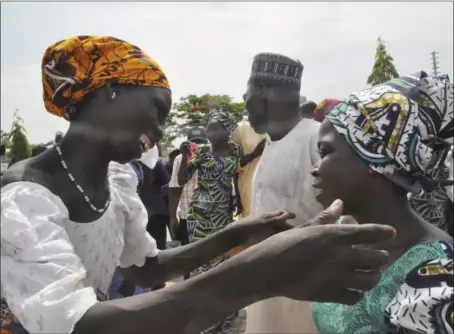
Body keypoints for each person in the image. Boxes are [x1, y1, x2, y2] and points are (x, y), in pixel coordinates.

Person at [1, 35, 396, 334]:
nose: (158, 132)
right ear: (110, 90)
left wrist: (236, 234)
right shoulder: (24, 197)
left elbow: (148, 269)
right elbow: (84, 325)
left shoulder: (115, 182)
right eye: (157, 111)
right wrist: (259, 272)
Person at [310, 71, 454, 333]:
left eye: (325, 152)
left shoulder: (436, 274)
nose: (315, 169)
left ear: (375, 161)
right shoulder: (342, 233)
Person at [243, 52, 325, 333]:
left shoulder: (318, 138)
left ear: (262, 93)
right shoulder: (270, 144)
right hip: (265, 285)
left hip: (308, 290)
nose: (245, 103)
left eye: (246, 96)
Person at [177, 111, 242, 332]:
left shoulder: (236, 153)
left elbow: (237, 182)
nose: (209, 132)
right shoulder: (202, 155)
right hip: (199, 215)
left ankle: (221, 313)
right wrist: (185, 158)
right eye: (208, 128)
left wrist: (239, 206)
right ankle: (201, 316)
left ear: (227, 132)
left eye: (215, 128)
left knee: (220, 264)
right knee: (199, 263)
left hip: (222, 216)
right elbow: (181, 180)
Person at [168, 127, 207, 258]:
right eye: (194, 141)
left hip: (207, 215)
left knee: (205, 255)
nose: (197, 145)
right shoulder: (180, 159)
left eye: (199, 141)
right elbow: (176, 186)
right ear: (188, 143)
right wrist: (173, 217)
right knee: (189, 257)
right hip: (187, 216)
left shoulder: (211, 157)